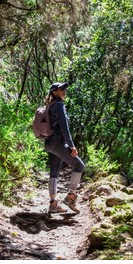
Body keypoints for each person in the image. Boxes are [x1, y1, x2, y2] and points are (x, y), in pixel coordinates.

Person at [44, 82, 85, 213]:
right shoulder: (59, 105)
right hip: (58, 142)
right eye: (61, 89)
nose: (64, 91)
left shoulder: (50, 105)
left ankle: (53, 204)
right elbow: (64, 128)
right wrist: (72, 145)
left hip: (49, 143)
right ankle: (70, 197)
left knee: (54, 171)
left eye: (64, 89)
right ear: (54, 92)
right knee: (79, 166)